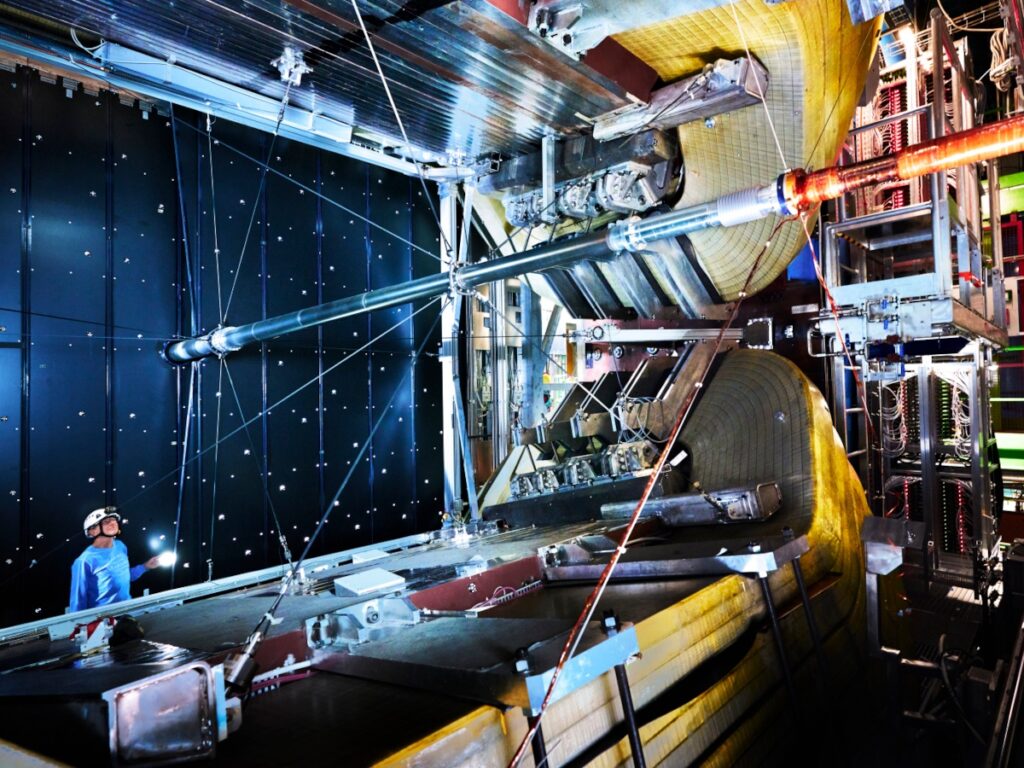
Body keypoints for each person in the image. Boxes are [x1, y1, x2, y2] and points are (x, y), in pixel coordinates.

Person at [69, 507, 159, 613]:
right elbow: (78, 600)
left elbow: (124, 576)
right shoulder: (84, 561)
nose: (113, 523)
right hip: (102, 620)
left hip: (128, 612)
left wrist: (145, 566)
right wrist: (80, 625)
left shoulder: (120, 546)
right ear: (92, 530)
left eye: (114, 520)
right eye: (107, 521)